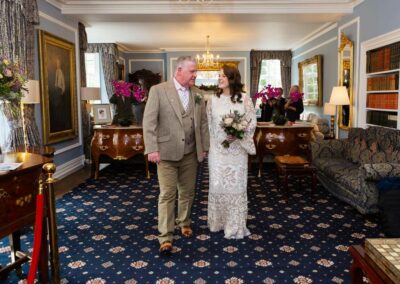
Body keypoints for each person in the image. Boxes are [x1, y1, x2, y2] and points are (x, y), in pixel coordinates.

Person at [142, 56, 209, 253]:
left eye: (195, 72)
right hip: (166, 154)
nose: (195, 75)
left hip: (190, 152)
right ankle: (165, 236)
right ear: (179, 71)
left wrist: (204, 147)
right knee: (168, 194)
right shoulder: (159, 90)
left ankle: (184, 222)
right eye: (192, 71)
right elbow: (149, 122)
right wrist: (152, 148)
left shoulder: (197, 93)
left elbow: (203, 123)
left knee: (188, 192)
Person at [206, 65, 256, 239]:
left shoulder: (245, 99)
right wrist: (214, 145)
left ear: (232, 78)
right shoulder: (212, 99)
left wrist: (237, 133)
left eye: (222, 76)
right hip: (218, 152)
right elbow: (209, 125)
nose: (219, 78)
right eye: (218, 76)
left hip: (237, 152)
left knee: (236, 187)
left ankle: (235, 225)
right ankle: (217, 222)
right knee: (217, 185)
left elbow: (251, 122)